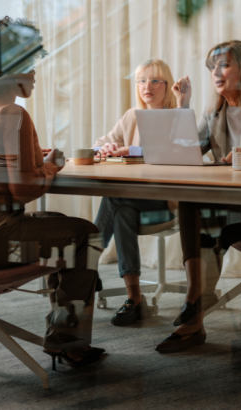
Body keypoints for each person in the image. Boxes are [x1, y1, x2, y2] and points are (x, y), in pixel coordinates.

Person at [0, 17, 104, 368]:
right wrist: (52, 165)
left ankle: (67, 329)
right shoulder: (13, 114)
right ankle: (67, 340)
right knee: (86, 237)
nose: (34, 73)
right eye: (29, 64)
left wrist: (34, 159)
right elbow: (22, 189)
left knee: (59, 224)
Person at [154, 40, 241, 353]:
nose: (216, 72)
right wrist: (183, 105)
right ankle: (194, 301)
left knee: (206, 220)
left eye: (224, 65)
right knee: (191, 203)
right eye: (212, 67)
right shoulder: (212, 113)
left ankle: (193, 314)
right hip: (225, 210)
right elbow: (181, 152)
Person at [92, 59, 181, 326]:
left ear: (167, 85)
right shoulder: (132, 115)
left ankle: (85, 261)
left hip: (165, 203)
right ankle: (134, 297)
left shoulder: (178, 117)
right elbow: (100, 143)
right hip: (133, 202)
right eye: (142, 81)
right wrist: (106, 149)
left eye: (155, 80)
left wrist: (129, 151)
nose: (147, 86)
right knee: (122, 210)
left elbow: (173, 153)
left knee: (115, 198)